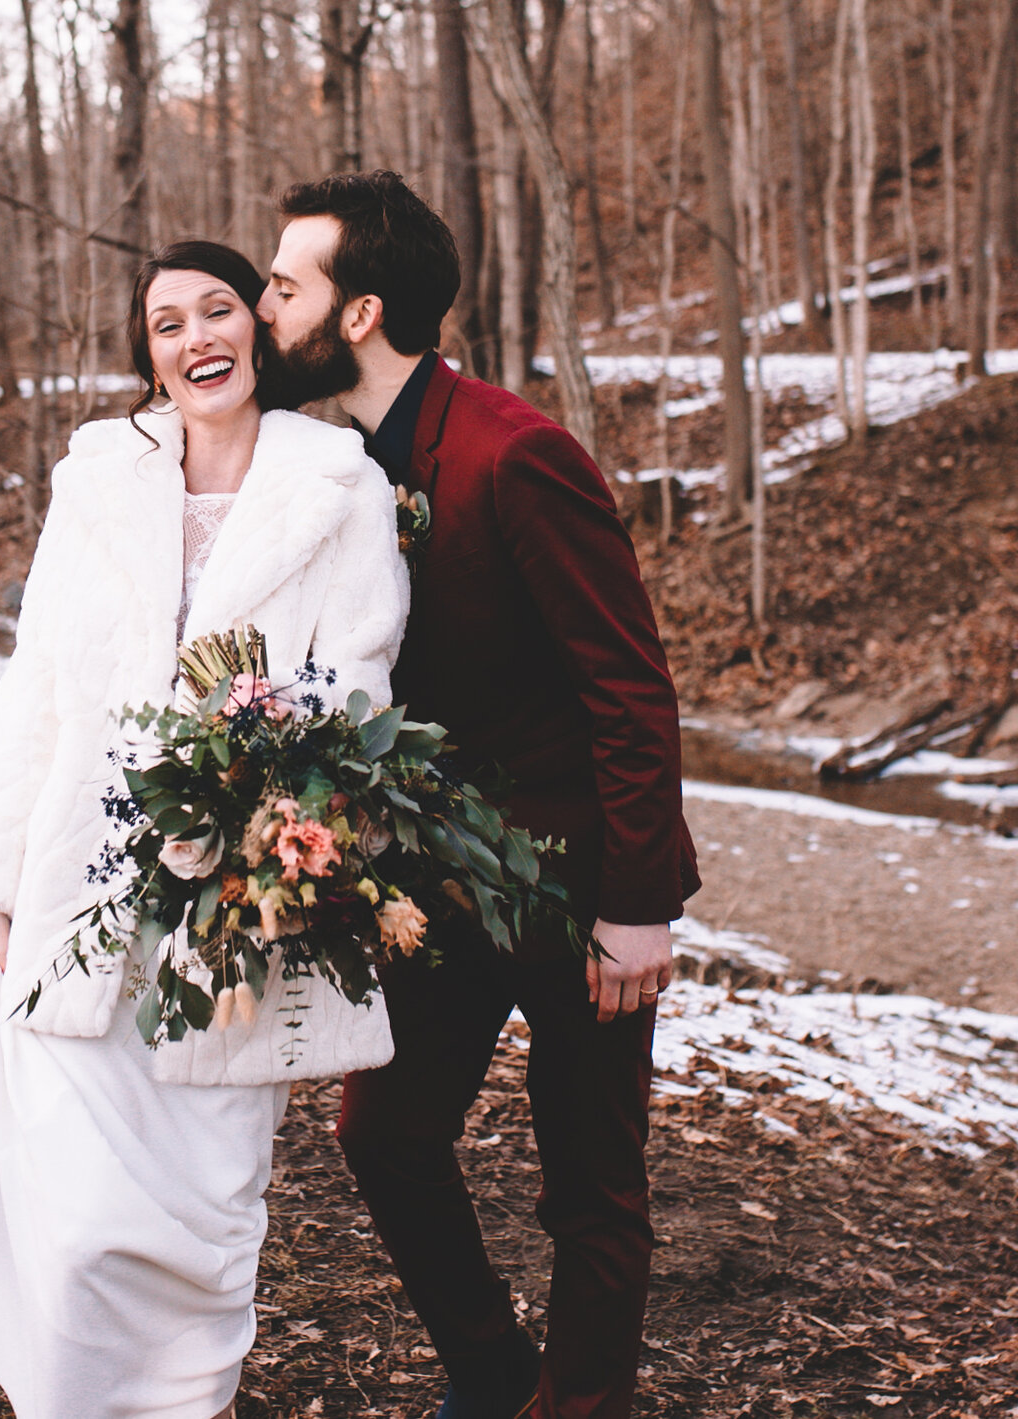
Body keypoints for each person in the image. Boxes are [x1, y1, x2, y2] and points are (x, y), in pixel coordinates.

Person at [0, 239, 409, 1419]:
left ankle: (188, 1403)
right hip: (78, 894)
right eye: (167, 324)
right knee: (68, 1222)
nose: (196, 338)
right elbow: (35, 697)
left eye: (219, 310)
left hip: (235, 910)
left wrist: (272, 802)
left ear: (259, 334)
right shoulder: (96, 478)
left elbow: (358, 687)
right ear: (149, 355)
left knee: (201, 1217)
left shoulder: (339, 483)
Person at [257, 171, 699, 1419]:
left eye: (285, 284)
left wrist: (636, 903)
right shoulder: (328, 464)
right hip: (435, 882)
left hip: (573, 883)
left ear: (358, 312)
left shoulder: (517, 454)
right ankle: (498, 1375)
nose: (263, 302)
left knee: (591, 1185)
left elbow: (629, 688)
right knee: (383, 1136)